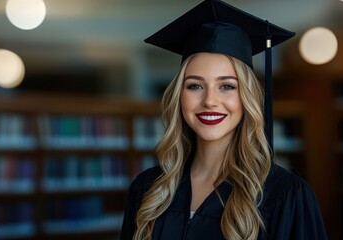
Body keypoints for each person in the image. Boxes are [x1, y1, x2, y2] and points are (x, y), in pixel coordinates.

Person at [120, 0, 327, 239]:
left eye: (227, 86)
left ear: (246, 98)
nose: (210, 100)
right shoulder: (148, 188)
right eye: (195, 86)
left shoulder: (284, 194)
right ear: (179, 96)